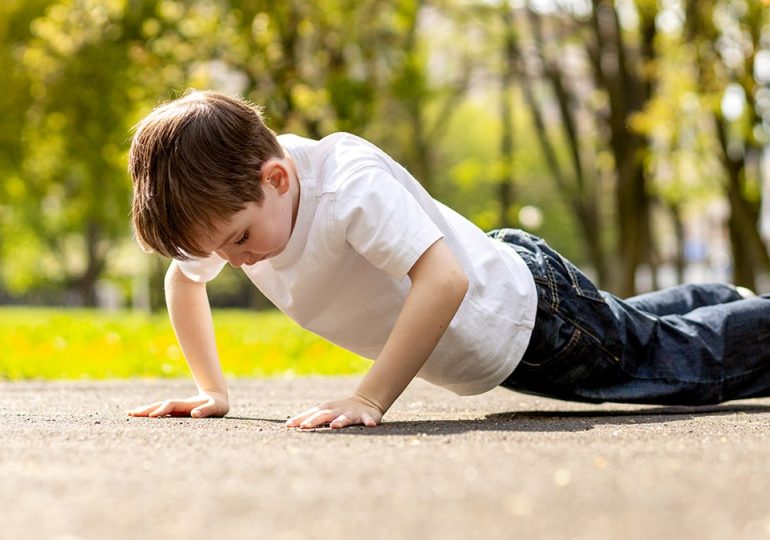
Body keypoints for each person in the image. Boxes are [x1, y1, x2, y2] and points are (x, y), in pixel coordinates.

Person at [127, 90, 770, 429]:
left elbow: (445, 278)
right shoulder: (236, 207)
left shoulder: (348, 187)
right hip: (507, 321)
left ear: (276, 178)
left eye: (236, 241)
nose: (231, 261)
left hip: (528, 319)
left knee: (682, 367)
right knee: (636, 333)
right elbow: (183, 280)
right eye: (213, 249)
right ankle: (719, 298)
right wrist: (212, 390)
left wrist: (369, 399)